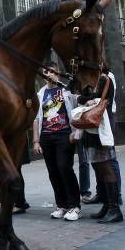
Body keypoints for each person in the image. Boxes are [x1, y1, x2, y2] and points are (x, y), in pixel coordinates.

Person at [72, 71, 123, 223]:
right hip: (89, 130)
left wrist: (82, 98)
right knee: (98, 169)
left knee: (106, 168)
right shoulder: (88, 79)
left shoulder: (103, 79)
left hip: (100, 130)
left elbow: (94, 99)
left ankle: (114, 209)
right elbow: (82, 97)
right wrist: (83, 98)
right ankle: (107, 205)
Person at [33, 63, 81, 221]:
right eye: (46, 71)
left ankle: (74, 205)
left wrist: (75, 132)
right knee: (53, 172)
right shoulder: (40, 94)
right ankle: (62, 205)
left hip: (64, 135)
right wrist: (36, 141)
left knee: (64, 168)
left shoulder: (66, 91)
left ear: (58, 74)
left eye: (53, 72)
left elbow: (76, 111)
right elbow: (37, 118)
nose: (49, 74)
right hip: (46, 137)